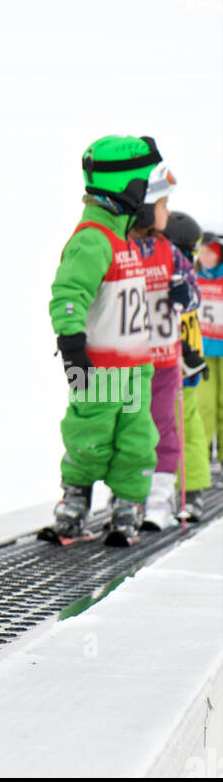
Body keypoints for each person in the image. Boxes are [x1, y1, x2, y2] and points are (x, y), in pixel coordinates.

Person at [47, 135, 162, 544]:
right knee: (88, 437)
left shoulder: (125, 238)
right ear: (128, 189)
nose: (152, 196)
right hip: (96, 369)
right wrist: (71, 346)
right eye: (148, 187)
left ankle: (129, 502)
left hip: (135, 371)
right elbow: (68, 294)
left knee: (137, 441)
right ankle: (76, 497)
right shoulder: (93, 239)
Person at [127, 170, 200, 530]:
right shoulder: (122, 247)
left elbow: (193, 295)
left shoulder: (168, 250)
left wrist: (185, 295)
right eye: (163, 205)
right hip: (126, 360)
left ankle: (158, 495)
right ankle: (128, 492)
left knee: (162, 426)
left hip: (162, 361)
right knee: (128, 427)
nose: (167, 214)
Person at [164, 210, 211, 521]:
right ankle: (179, 489)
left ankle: (189, 491)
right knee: (182, 428)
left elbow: (184, 320)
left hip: (179, 368)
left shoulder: (178, 277)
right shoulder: (183, 276)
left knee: (183, 428)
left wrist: (192, 354)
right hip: (178, 364)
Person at [194, 226, 223, 476]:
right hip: (203, 348)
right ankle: (200, 456)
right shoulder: (194, 275)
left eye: (210, 252)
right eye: (202, 252)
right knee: (204, 405)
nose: (205, 257)